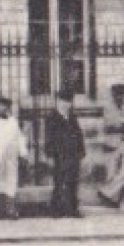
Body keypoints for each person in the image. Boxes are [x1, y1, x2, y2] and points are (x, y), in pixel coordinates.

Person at [43, 88, 86, 217]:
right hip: (60, 155)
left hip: (73, 155)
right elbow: (49, 137)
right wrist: (50, 153)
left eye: (69, 101)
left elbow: (79, 134)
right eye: (64, 101)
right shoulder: (52, 117)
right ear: (58, 102)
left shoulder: (72, 117)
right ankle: (56, 209)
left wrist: (81, 150)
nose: (66, 104)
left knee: (73, 182)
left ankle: (73, 209)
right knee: (59, 182)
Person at [97, 126, 124, 207]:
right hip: (122, 165)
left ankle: (112, 197)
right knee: (119, 179)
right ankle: (106, 193)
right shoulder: (122, 144)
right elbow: (115, 154)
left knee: (122, 180)